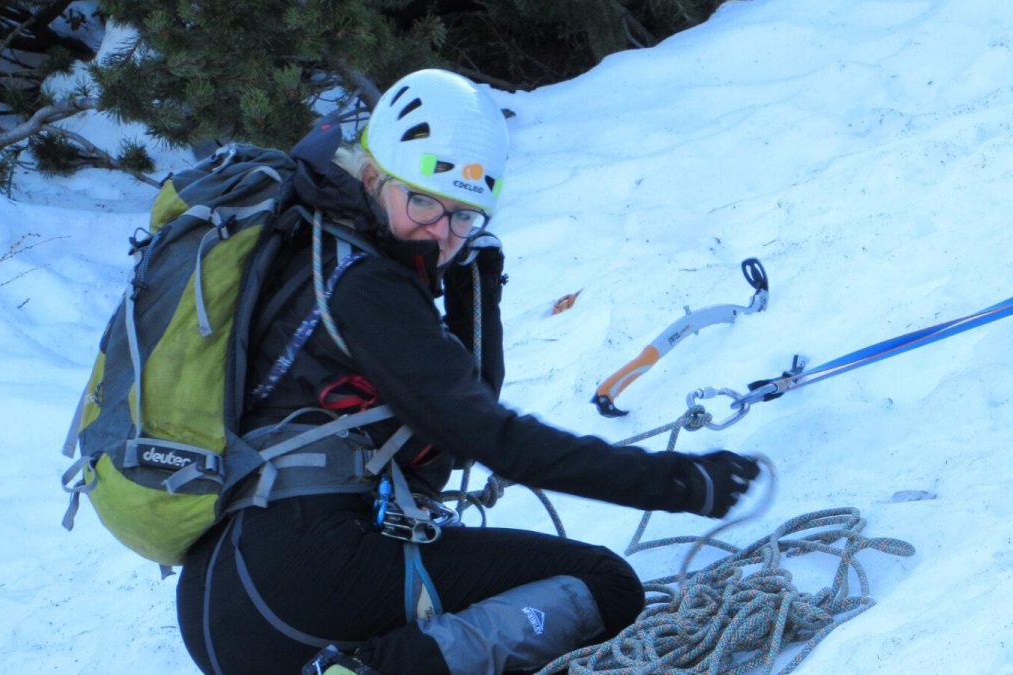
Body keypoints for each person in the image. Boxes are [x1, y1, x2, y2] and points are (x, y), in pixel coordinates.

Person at [175, 68, 760, 675]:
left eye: (463, 215)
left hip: (239, 590)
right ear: (373, 177)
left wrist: (473, 282)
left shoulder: (318, 248)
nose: (439, 231)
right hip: (302, 578)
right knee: (603, 584)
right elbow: (491, 437)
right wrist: (678, 482)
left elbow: (447, 430)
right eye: (423, 200)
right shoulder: (365, 285)